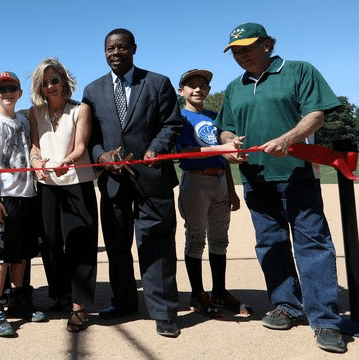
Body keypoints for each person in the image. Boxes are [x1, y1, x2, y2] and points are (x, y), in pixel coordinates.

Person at [216, 23, 346, 354]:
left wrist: (288, 139)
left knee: (312, 244)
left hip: (297, 172)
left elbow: (315, 115)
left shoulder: (300, 71)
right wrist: (230, 144)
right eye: (235, 51)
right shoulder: (234, 87)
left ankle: (326, 320)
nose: (241, 55)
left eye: (247, 47)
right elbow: (226, 130)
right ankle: (286, 305)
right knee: (270, 244)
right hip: (256, 177)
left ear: (268, 45)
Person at [81, 28, 182, 338]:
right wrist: (101, 155)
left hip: (153, 182)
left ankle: (163, 311)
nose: (115, 53)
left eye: (122, 47)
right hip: (113, 183)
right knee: (117, 247)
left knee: (156, 245)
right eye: (110, 48)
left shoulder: (158, 83)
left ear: (134, 48)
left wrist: (157, 148)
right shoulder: (93, 90)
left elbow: (172, 124)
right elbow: (90, 138)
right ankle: (124, 302)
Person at [28, 58, 98, 333]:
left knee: (79, 243)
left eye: (54, 80)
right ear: (40, 87)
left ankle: (79, 306)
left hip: (76, 182)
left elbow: (81, 146)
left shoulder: (80, 109)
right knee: (51, 243)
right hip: (47, 186)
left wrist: (67, 160)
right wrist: (35, 163)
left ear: (64, 81)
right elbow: (35, 148)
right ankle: (61, 294)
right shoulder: (34, 113)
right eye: (45, 83)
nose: (50, 86)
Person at [174, 69, 251, 319]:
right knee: (196, 238)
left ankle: (219, 291)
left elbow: (224, 157)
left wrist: (231, 190)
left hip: (219, 179)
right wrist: (221, 147)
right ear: (181, 91)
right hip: (195, 181)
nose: (198, 89)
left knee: (220, 239)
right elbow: (185, 149)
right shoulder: (179, 117)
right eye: (192, 85)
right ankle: (198, 294)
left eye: (203, 85)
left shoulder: (214, 117)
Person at [0, 72, 45, 337]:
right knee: (0, 254)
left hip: (26, 193)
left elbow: (32, 149)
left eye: (12, 88)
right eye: (1, 88)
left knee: (21, 252)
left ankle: (19, 299)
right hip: (3, 197)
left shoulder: (22, 120)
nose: (7, 92)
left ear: (19, 93)